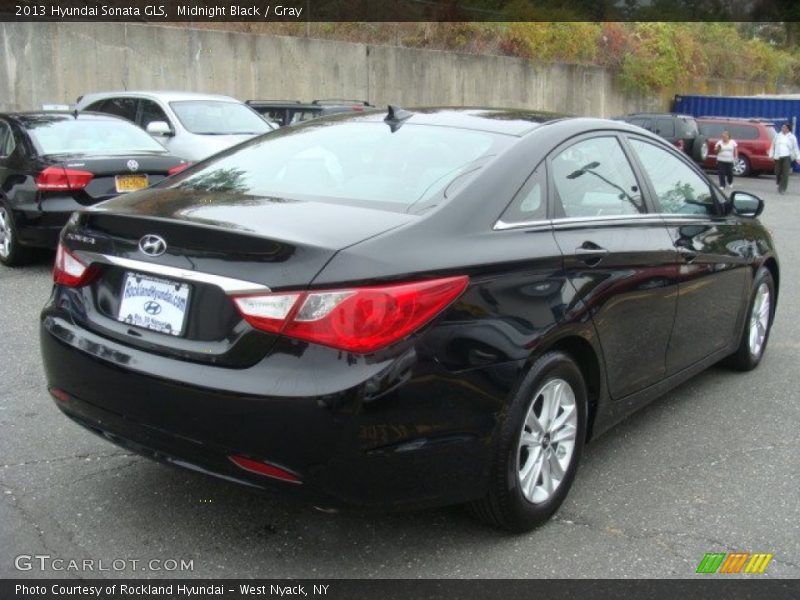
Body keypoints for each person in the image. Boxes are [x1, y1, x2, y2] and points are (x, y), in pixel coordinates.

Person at [769, 122, 800, 195]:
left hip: (787, 157)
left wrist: (798, 158)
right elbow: (773, 146)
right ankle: (778, 183)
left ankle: (782, 188)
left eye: (785, 127)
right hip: (778, 156)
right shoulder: (778, 136)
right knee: (777, 172)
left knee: (785, 173)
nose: (783, 128)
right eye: (782, 127)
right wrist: (771, 155)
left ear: (788, 129)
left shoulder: (792, 137)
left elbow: (795, 148)